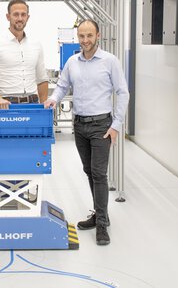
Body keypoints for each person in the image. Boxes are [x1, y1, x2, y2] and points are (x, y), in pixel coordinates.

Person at [44, 19, 129, 246]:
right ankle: (101, 214)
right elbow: (62, 86)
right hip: (79, 125)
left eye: (89, 35)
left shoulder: (110, 61)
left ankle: (101, 224)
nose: (85, 40)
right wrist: (53, 99)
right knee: (89, 171)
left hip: (102, 125)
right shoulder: (72, 62)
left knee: (99, 174)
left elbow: (123, 92)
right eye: (81, 36)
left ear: (97, 36)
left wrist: (116, 125)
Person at [0, 0, 49, 109]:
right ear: (8, 16)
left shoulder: (36, 45)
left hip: (33, 104)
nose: (20, 18)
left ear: (28, 17)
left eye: (23, 14)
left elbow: (42, 80)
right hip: (6, 105)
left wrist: (44, 107)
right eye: (16, 14)